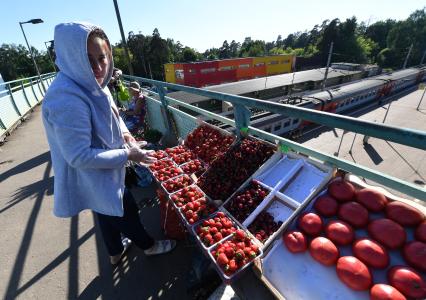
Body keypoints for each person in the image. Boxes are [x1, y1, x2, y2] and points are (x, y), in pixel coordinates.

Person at [42, 21, 176, 266]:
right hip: (95, 173)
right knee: (125, 209)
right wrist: (128, 155)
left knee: (104, 211)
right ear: (71, 58)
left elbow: (114, 117)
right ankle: (149, 246)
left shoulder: (91, 83)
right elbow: (79, 156)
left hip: (102, 171)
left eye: (101, 58)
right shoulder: (66, 97)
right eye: (87, 59)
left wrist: (125, 135)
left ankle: (115, 251)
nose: (97, 67)